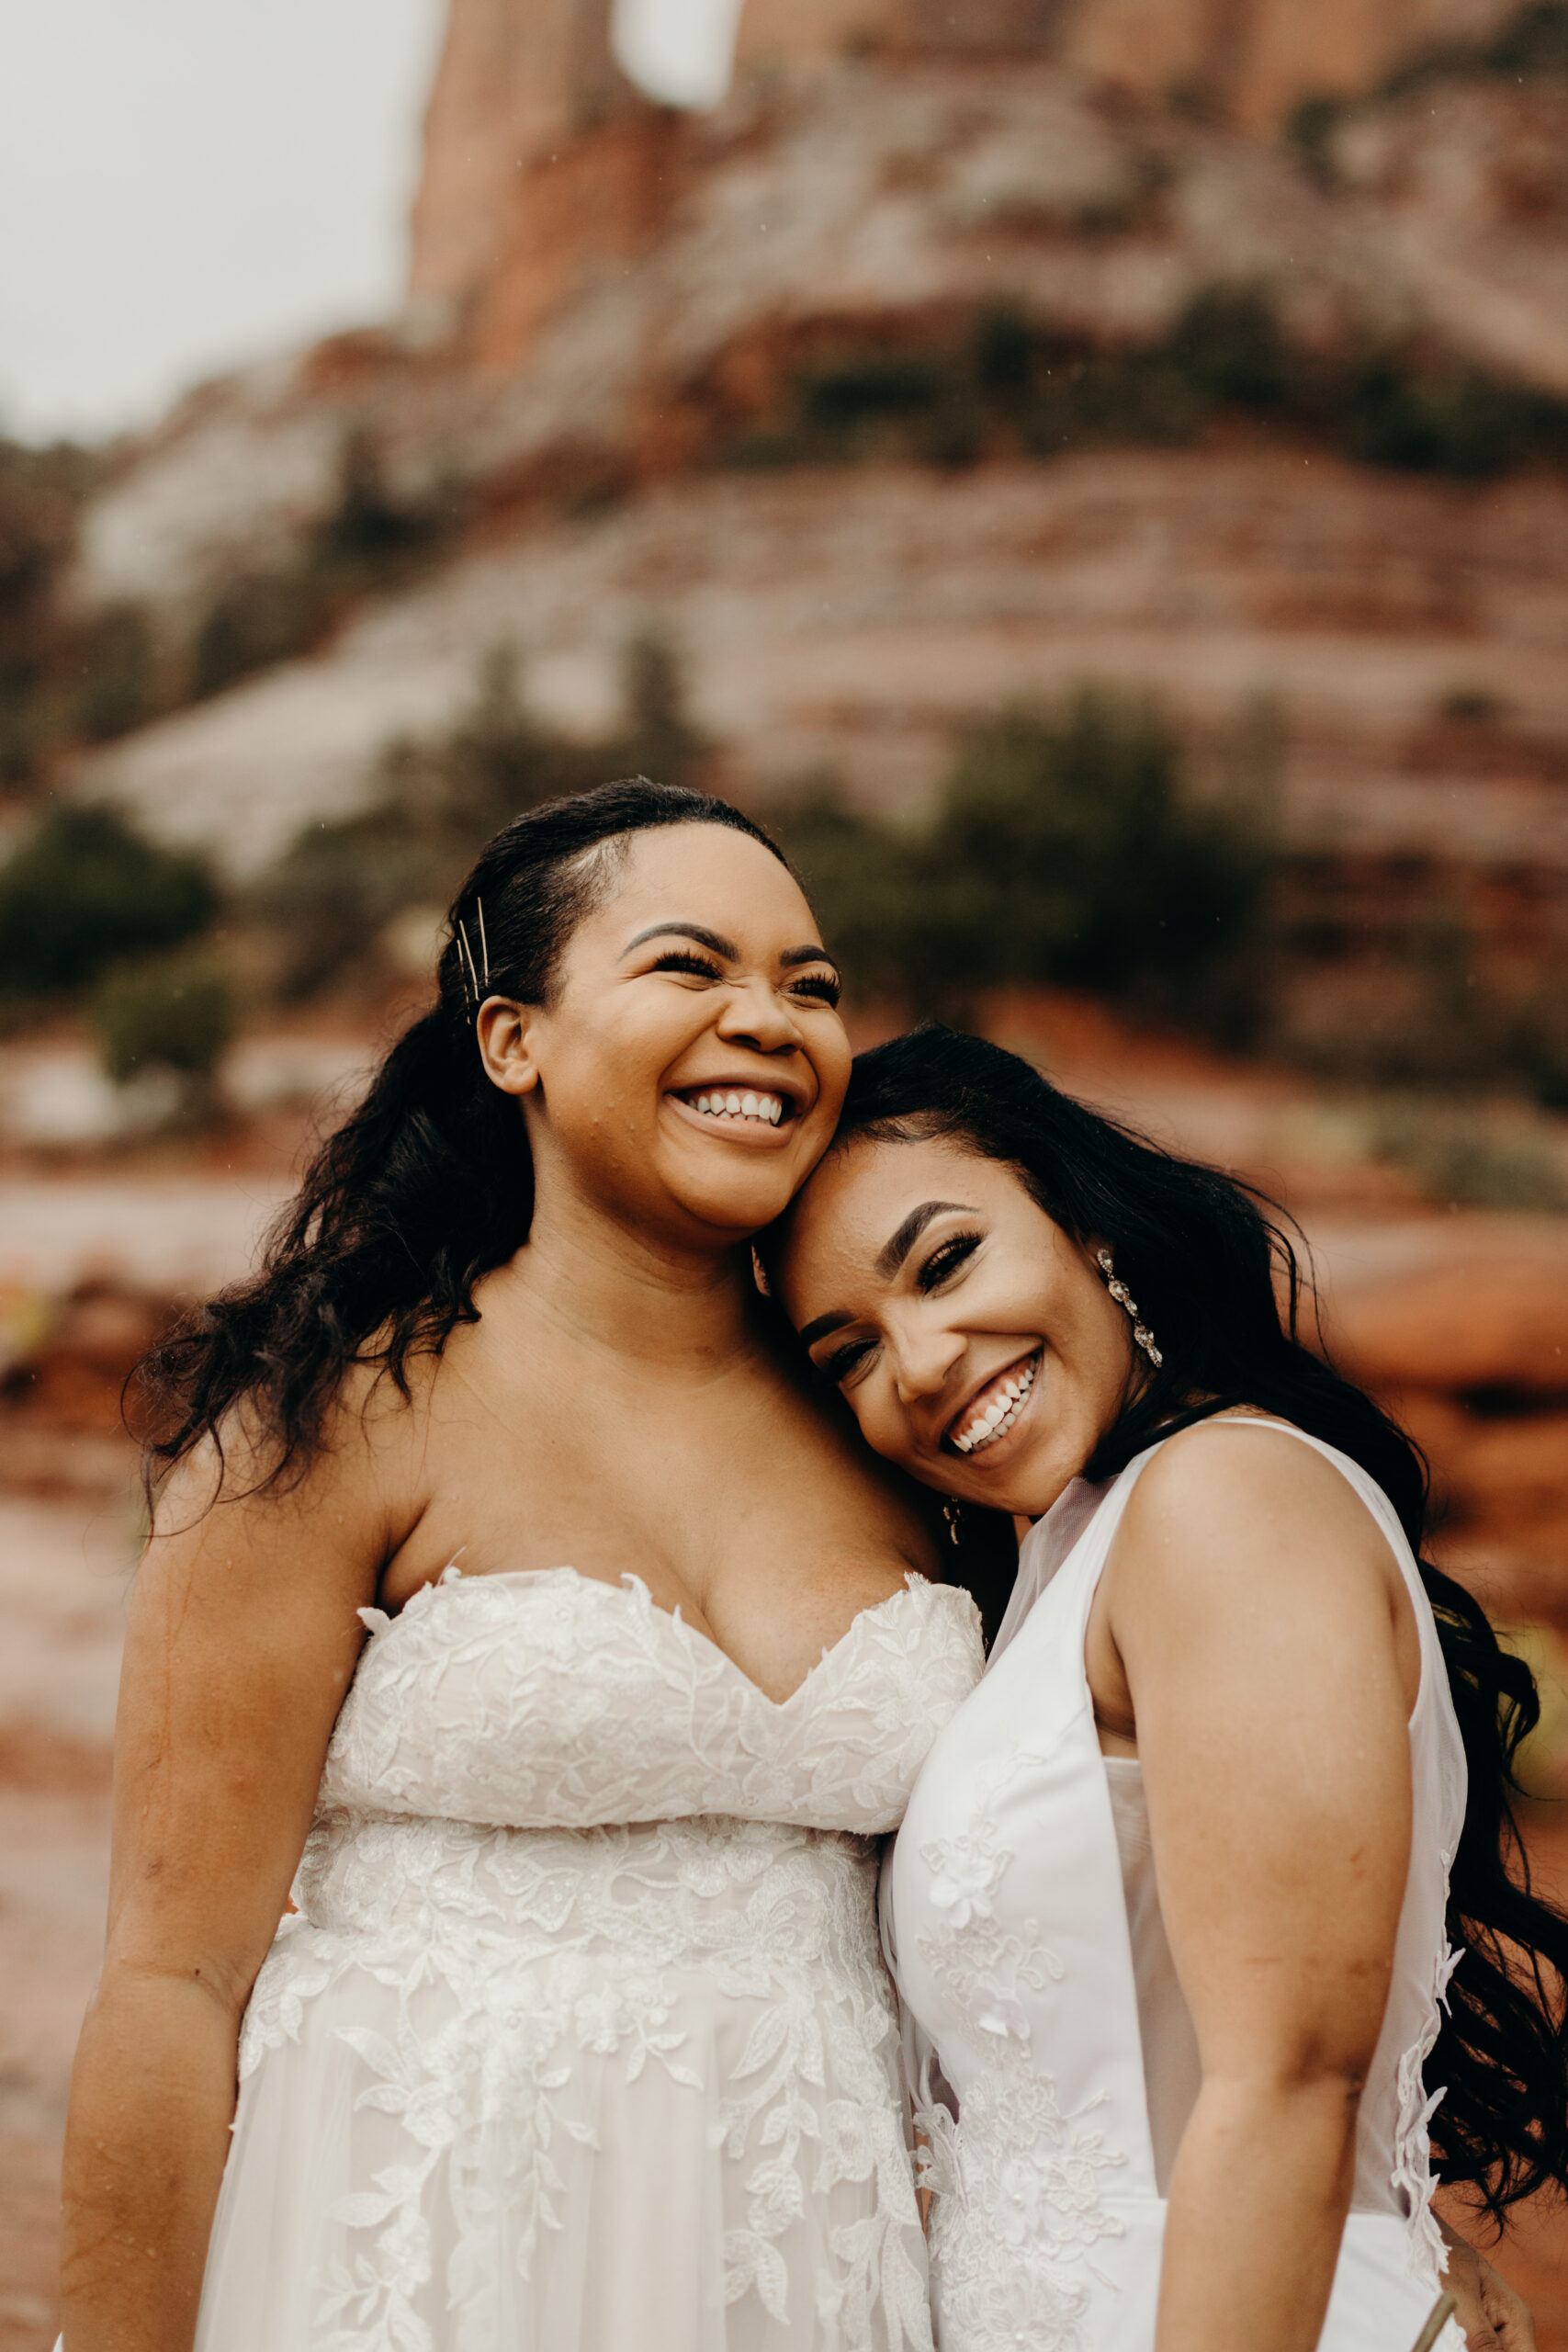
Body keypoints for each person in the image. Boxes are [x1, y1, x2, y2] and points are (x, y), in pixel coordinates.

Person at [57, 786, 986, 2352]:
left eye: (810, 986)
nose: (769, 1021)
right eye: (691, 968)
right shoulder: (329, 1416)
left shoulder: (898, 1424)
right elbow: (168, 1987)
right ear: (514, 1041)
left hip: (804, 2273)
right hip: (426, 2261)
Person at [769, 1024, 1568, 2352]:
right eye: (846, 1351)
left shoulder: (1221, 1500)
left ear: (1085, 1224)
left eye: (949, 1260)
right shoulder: (1070, 1552)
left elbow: (1288, 2082)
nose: (917, 1363)